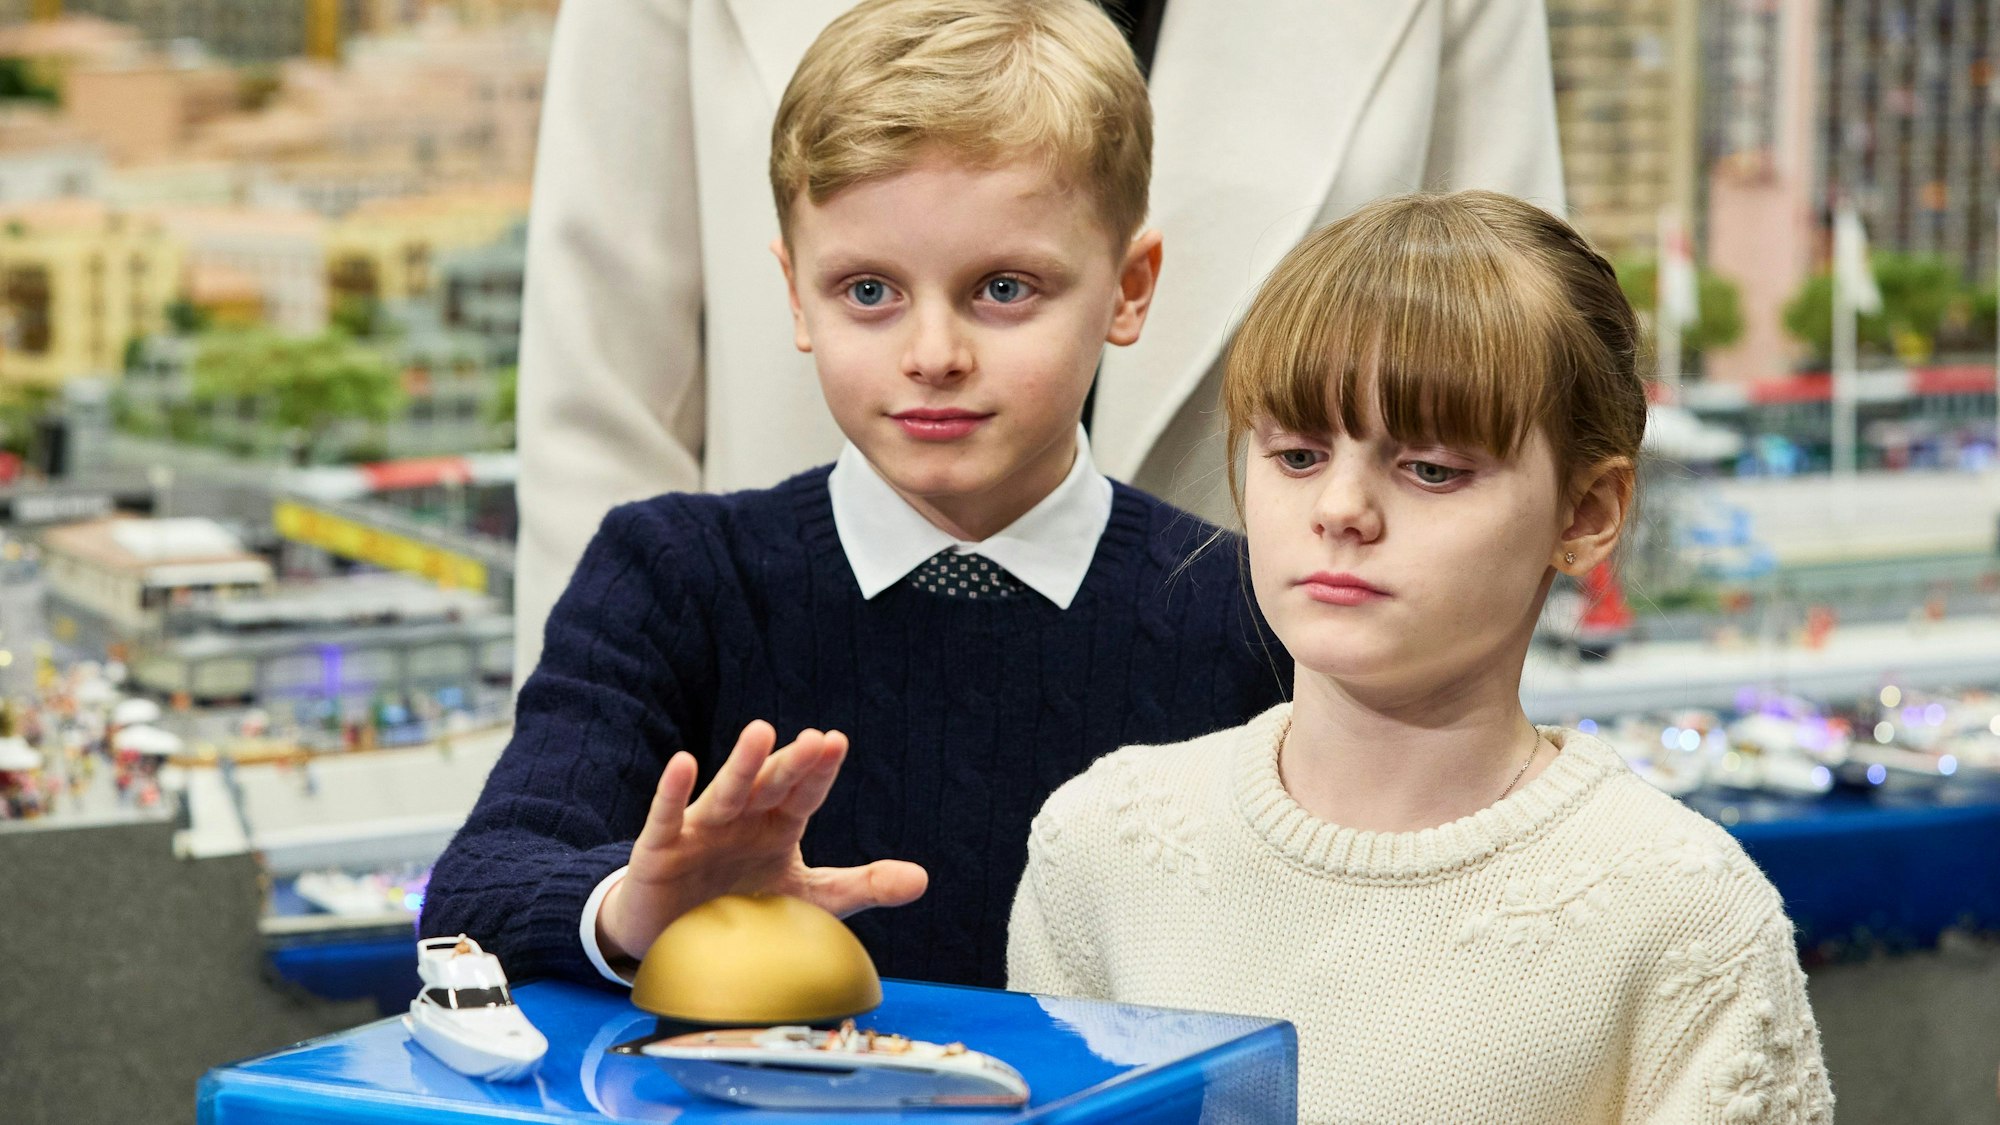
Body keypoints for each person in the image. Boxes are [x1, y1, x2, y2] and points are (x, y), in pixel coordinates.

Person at [421, 0, 1288, 991]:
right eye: (867, 292)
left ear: (1128, 288)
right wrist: (633, 906)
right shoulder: (670, 576)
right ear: (795, 295)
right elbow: (473, 898)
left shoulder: (1249, 609)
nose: (932, 357)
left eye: (1002, 289)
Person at [1007, 191, 1834, 1123]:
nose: (1342, 509)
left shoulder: (1686, 916)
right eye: (1296, 454)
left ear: (1587, 511)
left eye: (1430, 468)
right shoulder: (1103, 843)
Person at [509, 0, 1567, 681]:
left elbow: (1508, 389)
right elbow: (600, 411)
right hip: (775, 745)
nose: (933, 352)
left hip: (1278, 770)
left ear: (1131, 284)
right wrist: (604, 810)